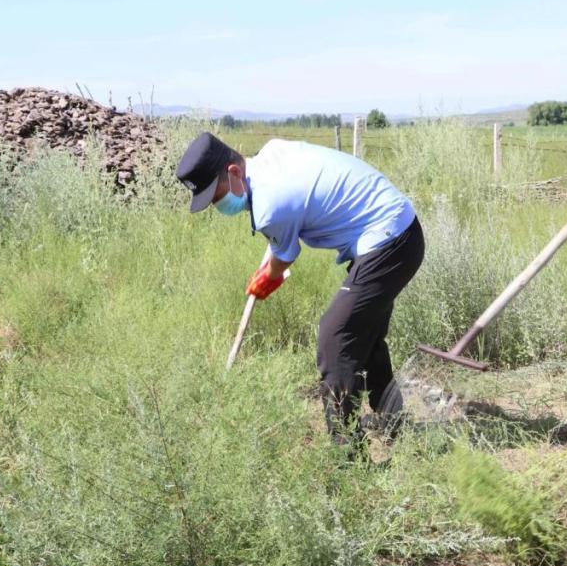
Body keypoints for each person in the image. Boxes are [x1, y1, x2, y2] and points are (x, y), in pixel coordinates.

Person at [176, 132, 424, 455]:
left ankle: (348, 457)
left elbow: (285, 255)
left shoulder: (270, 205)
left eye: (215, 195)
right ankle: (393, 422)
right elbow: (280, 235)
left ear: (235, 173)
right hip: (397, 230)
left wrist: (269, 278)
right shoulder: (269, 155)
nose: (215, 205)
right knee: (362, 332)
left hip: (391, 241)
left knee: (335, 337)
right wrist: (270, 265)